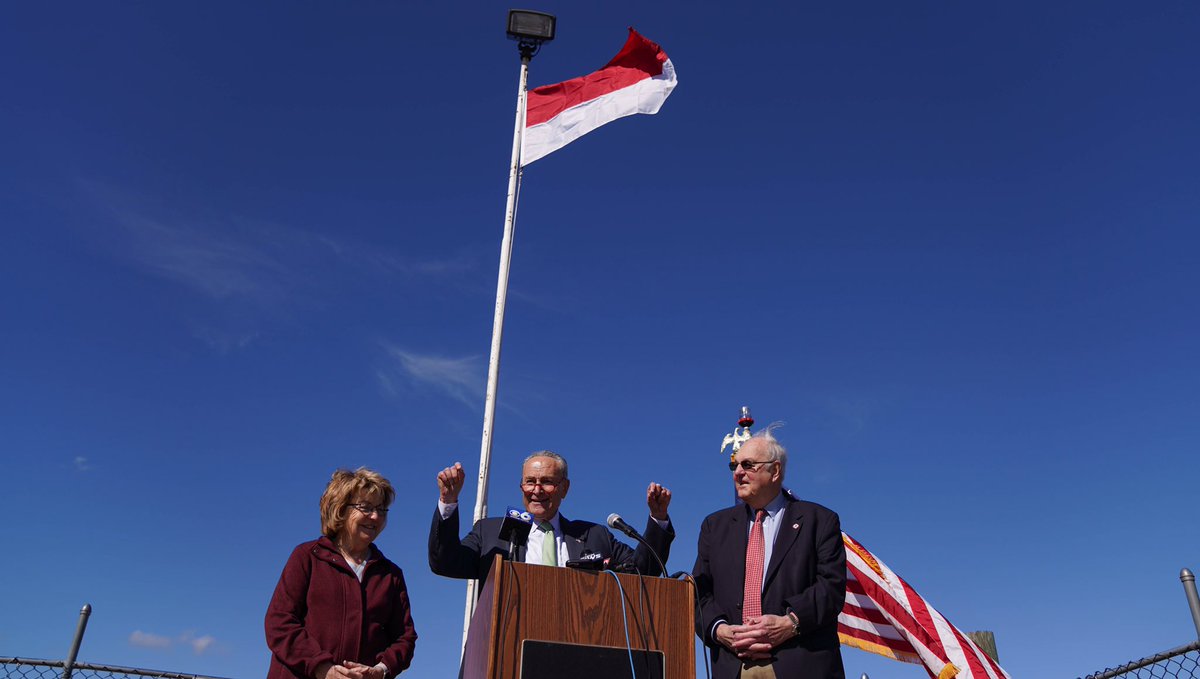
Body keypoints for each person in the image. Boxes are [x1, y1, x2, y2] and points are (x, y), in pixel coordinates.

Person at [693, 430, 846, 679]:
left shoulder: (819, 520)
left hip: (800, 662)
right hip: (734, 667)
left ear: (774, 471)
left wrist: (790, 623)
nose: (738, 472)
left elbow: (831, 588)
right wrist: (720, 630)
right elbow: (698, 593)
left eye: (747, 465)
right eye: (734, 465)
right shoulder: (714, 526)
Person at [429, 451, 674, 584]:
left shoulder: (594, 536)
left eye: (547, 482)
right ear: (521, 486)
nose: (536, 490)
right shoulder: (490, 532)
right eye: (530, 482)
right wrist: (448, 501)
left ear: (565, 488)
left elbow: (646, 570)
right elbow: (445, 562)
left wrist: (658, 516)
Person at [266, 468, 417, 679]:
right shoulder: (307, 557)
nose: (375, 516)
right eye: (366, 507)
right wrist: (322, 668)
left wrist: (381, 670)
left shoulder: (391, 575)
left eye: (381, 510)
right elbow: (279, 623)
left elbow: (405, 638)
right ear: (340, 509)